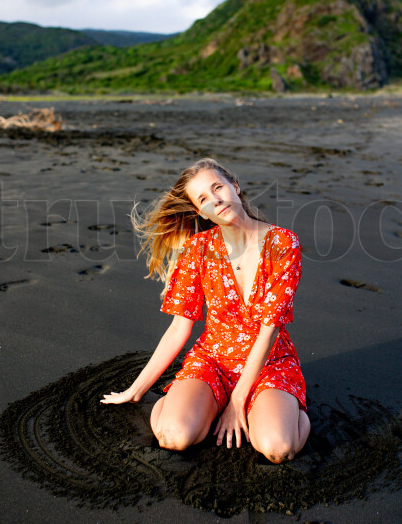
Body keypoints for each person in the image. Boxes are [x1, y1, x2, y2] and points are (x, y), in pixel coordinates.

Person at [101, 157, 310, 464]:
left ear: (234, 187)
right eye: (203, 198)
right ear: (200, 212)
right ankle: (193, 405)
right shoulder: (197, 249)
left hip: (269, 362)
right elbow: (179, 329)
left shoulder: (282, 243)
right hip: (212, 362)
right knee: (174, 437)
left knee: (278, 448)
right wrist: (136, 389)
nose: (215, 199)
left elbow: (270, 329)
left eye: (218, 187)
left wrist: (237, 402)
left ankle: (291, 409)